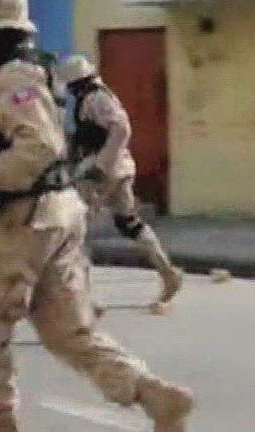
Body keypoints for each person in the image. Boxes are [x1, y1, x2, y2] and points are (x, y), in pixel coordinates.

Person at [0, 0, 193, 432]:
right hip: (56, 215)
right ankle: (153, 395)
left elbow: (37, 149)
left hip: (23, 219)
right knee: (67, 332)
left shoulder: (13, 78)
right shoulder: (29, 73)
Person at [56, 54, 184, 305]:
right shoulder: (95, 97)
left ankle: (82, 297)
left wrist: (100, 165)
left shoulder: (97, 98)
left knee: (76, 230)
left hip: (100, 171)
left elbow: (121, 129)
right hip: (118, 168)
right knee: (129, 223)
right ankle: (167, 272)